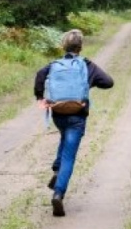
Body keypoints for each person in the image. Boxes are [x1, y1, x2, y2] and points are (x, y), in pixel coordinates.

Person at [34, 29, 114, 217]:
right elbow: (109, 82)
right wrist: (88, 84)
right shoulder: (86, 65)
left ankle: (56, 168)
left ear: (64, 46)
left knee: (65, 137)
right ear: (81, 47)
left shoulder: (54, 65)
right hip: (78, 114)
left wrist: (40, 96)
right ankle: (59, 193)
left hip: (58, 113)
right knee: (70, 155)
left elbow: (39, 75)